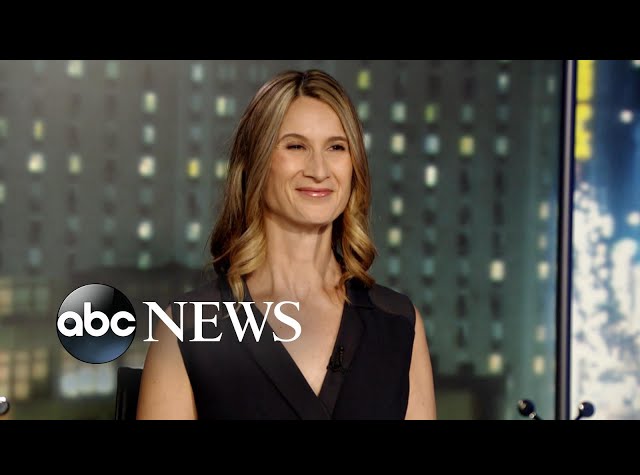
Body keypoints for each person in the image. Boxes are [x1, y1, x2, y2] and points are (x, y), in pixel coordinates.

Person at [136, 69, 436, 420]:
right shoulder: (188, 327)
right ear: (255, 163)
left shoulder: (398, 323)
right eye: (296, 146)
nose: (319, 170)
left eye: (336, 147)